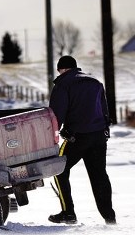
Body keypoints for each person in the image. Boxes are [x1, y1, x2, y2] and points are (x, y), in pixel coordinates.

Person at [47, 55, 115, 225]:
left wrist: (52, 136)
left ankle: (68, 213)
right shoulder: (95, 82)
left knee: (59, 170)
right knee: (99, 175)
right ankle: (109, 217)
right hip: (99, 136)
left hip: (77, 138)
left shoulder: (63, 84)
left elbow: (56, 116)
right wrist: (104, 130)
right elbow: (105, 111)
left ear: (60, 69)